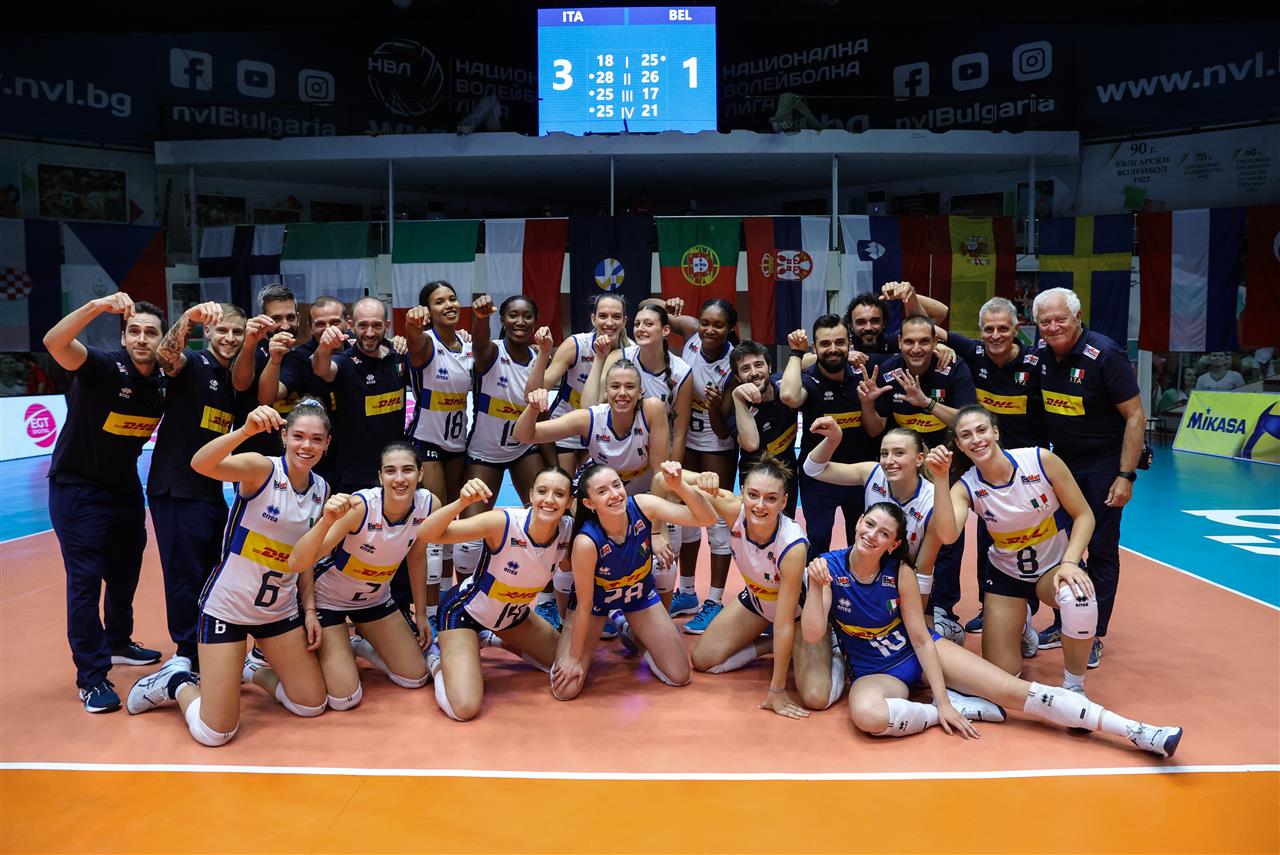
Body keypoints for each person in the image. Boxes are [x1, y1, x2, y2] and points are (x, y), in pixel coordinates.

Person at [801, 503, 1182, 756]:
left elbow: (920, 637)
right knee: (867, 716)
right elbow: (815, 634)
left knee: (1015, 692)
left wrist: (943, 697)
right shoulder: (828, 567)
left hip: (922, 653)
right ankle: (943, 710)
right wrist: (817, 586)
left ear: (894, 543)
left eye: (884, 533)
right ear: (858, 523)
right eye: (869, 524)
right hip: (875, 671)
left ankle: (1136, 731)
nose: (872, 535)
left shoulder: (899, 571)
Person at [125, 402, 332, 745]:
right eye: (298, 436)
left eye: (316, 439)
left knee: (311, 704)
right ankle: (174, 682)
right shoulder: (261, 469)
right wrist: (245, 432)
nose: (306, 446)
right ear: (284, 436)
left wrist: (309, 609)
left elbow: (305, 558)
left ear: (326, 443)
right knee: (216, 733)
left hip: (278, 612)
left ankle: (253, 670)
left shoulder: (321, 490)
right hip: (229, 608)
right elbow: (200, 464)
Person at [43, 293, 168, 712]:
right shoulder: (101, 365)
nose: (142, 338)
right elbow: (54, 343)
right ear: (124, 336)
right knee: (85, 581)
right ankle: (92, 678)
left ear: (162, 339)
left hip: (124, 488)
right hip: (77, 488)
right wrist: (96, 306)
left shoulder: (165, 380)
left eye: (151, 332)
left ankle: (118, 641)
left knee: (125, 572)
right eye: (135, 331)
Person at [928, 406, 1098, 688]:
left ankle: (1074, 686)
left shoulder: (1040, 460)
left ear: (995, 432)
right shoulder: (966, 486)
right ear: (958, 444)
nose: (976, 439)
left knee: (1078, 597)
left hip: (1054, 568)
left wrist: (1070, 562)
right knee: (1003, 678)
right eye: (966, 435)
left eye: (982, 430)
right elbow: (947, 535)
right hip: (1006, 575)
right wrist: (940, 478)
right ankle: (1022, 624)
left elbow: (1084, 515)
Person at [1033, 287, 1146, 666]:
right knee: (1060, 547)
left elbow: (1135, 415)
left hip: (1103, 466)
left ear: (1077, 317)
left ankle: (1092, 633)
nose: (1053, 327)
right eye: (1045, 321)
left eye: (1060, 319)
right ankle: (1064, 621)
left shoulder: (1106, 355)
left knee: (1099, 549)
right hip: (1062, 464)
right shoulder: (1041, 355)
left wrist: (1125, 474)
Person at [287, 441, 436, 711]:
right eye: (390, 471)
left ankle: (357, 645)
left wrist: (422, 614)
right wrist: (308, 610)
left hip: (374, 599)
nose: (399, 479)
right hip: (328, 600)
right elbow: (305, 560)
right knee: (344, 698)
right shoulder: (359, 507)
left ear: (420, 473)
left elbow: (416, 557)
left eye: (407, 470)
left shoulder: (429, 505)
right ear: (380, 476)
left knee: (415, 677)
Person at [416, 468, 574, 721]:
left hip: (513, 617)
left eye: (559, 494)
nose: (549, 500)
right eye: (542, 491)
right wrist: (462, 503)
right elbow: (426, 534)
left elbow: (567, 567)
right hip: (465, 613)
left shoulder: (568, 531)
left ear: (569, 502)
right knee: (464, 709)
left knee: (565, 667)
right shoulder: (503, 523)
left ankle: (491, 639)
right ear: (531, 495)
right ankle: (436, 659)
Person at [682, 459, 836, 718]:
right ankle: (773, 645)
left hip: (798, 616)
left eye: (771, 498)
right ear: (742, 492)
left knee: (815, 697)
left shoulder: (792, 545)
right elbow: (664, 479)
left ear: (784, 502)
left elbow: (784, 621)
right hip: (758, 602)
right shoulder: (733, 509)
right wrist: (700, 477)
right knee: (702, 659)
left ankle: (835, 649)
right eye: (753, 495)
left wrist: (777, 690)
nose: (760, 505)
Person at [550, 462, 715, 701]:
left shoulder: (642, 506)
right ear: (589, 504)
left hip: (639, 598)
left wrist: (679, 486)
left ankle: (627, 627)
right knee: (565, 690)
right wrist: (574, 659)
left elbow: (707, 518)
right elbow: (584, 605)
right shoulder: (586, 542)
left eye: (616, 485)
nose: (614, 494)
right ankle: (608, 624)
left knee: (680, 676)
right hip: (594, 606)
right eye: (602, 491)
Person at [148, 301, 249, 677]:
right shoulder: (192, 362)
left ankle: (209, 645)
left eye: (237, 332)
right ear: (208, 332)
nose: (229, 338)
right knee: (184, 574)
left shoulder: (233, 378)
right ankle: (187, 652)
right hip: (176, 488)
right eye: (223, 330)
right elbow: (165, 355)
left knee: (211, 572)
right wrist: (188, 318)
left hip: (209, 492)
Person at [861, 314, 977, 638]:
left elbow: (966, 421)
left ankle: (943, 609)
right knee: (897, 531)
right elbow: (875, 428)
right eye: (909, 341)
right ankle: (889, 597)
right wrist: (868, 404)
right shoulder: (888, 371)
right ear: (899, 343)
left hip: (944, 463)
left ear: (935, 343)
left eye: (924, 341)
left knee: (948, 536)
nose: (916, 348)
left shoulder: (953, 368)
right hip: (903, 462)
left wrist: (925, 403)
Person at [935, 296, 1046, 634]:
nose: (995, 335)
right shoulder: (974, 352)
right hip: (987, 466)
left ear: (1017, 328)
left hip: (1029, 468)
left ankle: (1035, 613)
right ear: (980, 331)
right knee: (988, 537)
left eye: (1002, 328)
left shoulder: (1036, 362)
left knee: (1037, 537)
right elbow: (927, 325)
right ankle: (991, 605)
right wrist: (907, 295)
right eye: (988, 329)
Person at [586, 302, 694, 612]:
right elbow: (594, 406)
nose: (641, 329)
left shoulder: (680, 372)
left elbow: (680, 431)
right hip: (618, 463)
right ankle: (608, 604)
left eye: (650, 323)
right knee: (611, 536)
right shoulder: (621, 359)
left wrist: (671, 483)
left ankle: (664, 605)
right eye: (638, 323)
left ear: (665, 330)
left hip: (656, 461)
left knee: (667, 536)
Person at [453, 294, 553, 586]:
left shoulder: (540, 359)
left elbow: (541, 417)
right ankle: (465, 597)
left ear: (535, 321)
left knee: (545, 523)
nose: (520, 321)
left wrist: (554, 467)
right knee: (469, 540)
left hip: (524, 450)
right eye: (513, 315)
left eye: (527, 316)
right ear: (503, 320)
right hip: (484, 454)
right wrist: (480, 318)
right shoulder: (492, 352)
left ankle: (545, 597)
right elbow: (479, 344)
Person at [660, 298, 740, 635]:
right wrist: (668, 303)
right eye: (706, 322)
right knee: (687, 518)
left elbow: (723, 431)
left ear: (730, 328)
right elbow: (651, 308)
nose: (709, 330)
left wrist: (713, 407)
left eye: (718, 325)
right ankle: (688, 592)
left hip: (716, 446)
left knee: (717, 523)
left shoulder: (733, 364)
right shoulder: (692, 333)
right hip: (685, 440)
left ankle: (715, 601)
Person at [405, 280, 474, 629]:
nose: (449, 305)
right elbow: (415, 345)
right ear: (428, 311)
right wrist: (411, 325)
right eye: (439, 301)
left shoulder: (467, 344)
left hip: (457, 444)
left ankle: (448, 597)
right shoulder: (426, 342)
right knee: (434, 525)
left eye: (452, 298)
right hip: (427, 442)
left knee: (452, 523)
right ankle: (431, 615)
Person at [779, 317, 877, 559]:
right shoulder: (808, 380)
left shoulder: (864, 376)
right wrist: (796, 353)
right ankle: (816, 582)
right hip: (818, 477)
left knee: (863, 539)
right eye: (825, 344)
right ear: (815, 348)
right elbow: (789, 396)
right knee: (818, 539)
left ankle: (857, 583)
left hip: (858, 476)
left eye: (840, 342)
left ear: (850, 344)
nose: (833, 349)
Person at [526, 292, 629, 473]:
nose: (609, 323)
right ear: (593, 319)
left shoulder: (631, 352)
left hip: (602, 431)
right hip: (566, 427)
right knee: (565, 482)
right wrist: (544, 352)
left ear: (624, 321)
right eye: (603, 316)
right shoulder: (576, 345)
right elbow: (532, 393)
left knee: (591, 484)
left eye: (616, 316)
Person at [257, 295, 347, 484]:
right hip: (316, 460)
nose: (328, 329)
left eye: (334, 322)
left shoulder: (358, 347)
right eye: (320, 324)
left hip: (355, 457)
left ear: (348, 322)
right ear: (310, 326)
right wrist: (275, 360)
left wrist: (399, 342)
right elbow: (268, 397)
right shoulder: (299, 359)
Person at [726, 341, 799, 516]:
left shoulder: (786, 386)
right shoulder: (735, 413)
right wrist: (737, 398)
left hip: (788, 476)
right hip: (756, 483)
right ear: (737, 377)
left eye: (759, 365)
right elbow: (751, 444)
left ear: (770, 367)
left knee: (787, 526)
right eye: (745, 369)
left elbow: (805, 362)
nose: (754, 373)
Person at [231, 283, 300, 457]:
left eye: (290, 317)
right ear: (262, 319)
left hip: (288, 455)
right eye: (276, 319)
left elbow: (269, 397)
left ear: (298, 318)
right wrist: (249, 343)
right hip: (249, 453)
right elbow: (240, 384)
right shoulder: (249, 348)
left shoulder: (298, 357)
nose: (285, 326)